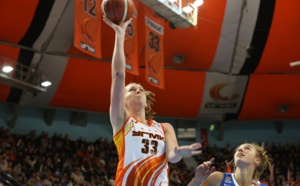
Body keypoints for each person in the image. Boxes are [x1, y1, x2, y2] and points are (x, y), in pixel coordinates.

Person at [103, 16, 202, 186]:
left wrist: (179, 151)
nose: (138, 90)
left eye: (140, 89)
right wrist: (119, 35)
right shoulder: (122, 121)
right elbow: (118, 75)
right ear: (123, 101)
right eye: (132, 89)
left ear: (147, 102)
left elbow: (172, 157)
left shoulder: (165, 128)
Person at [188, 143, 272, 186]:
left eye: (247, 148)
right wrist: (196, 180)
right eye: (238, 149)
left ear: (257, 160)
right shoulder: (217, 178)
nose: (240, 150)